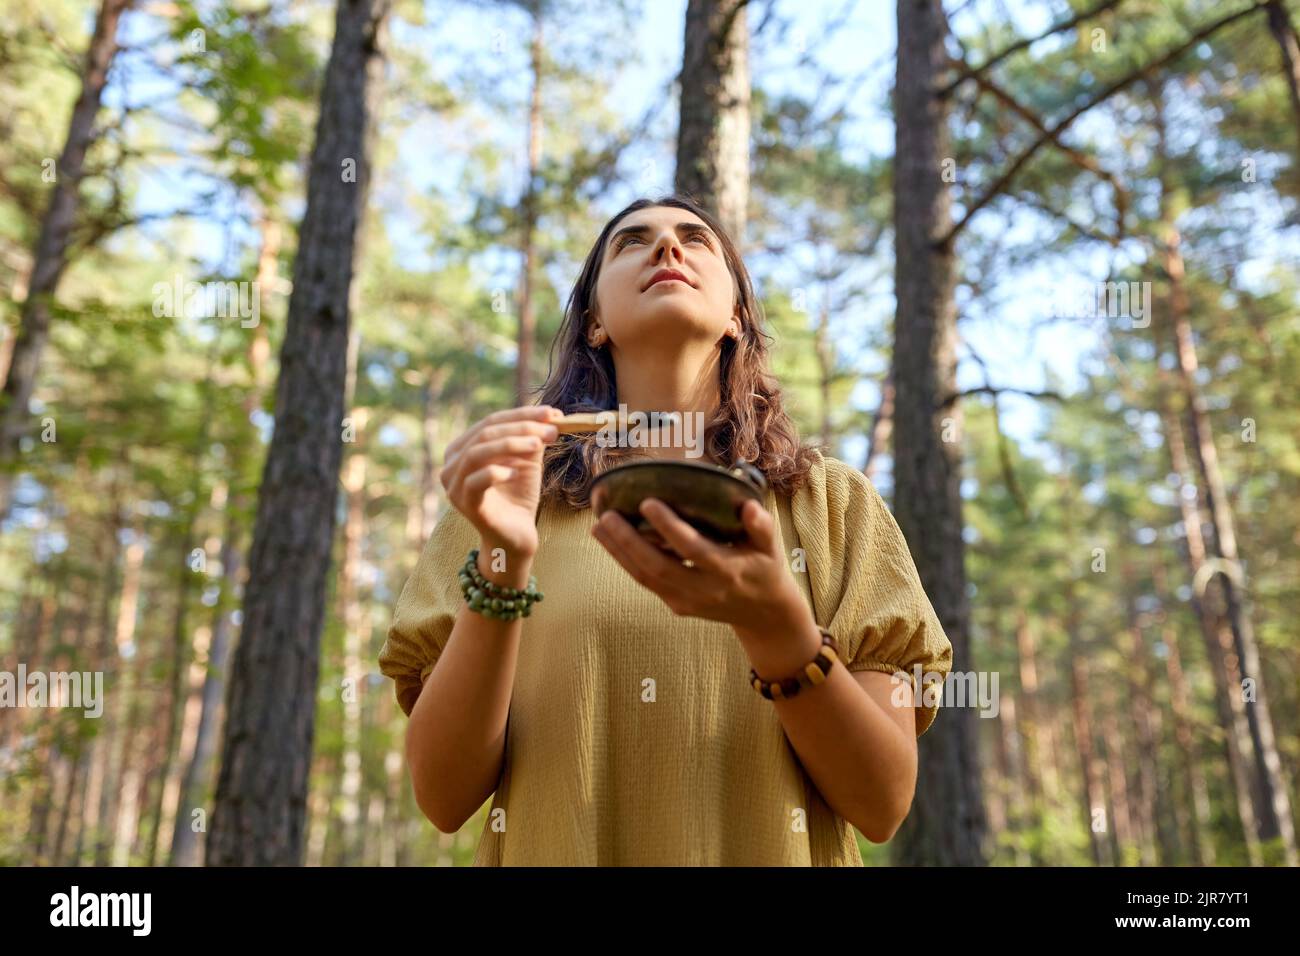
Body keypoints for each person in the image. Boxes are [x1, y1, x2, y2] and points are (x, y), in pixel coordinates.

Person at [378, 194, 952, 865]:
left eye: (694, 238)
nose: (667, 249)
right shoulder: (505, 502)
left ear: (737, 316)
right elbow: (444, 798)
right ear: (595, 322)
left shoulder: (832, 503)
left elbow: (882, 803)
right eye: (632, 241)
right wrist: (503, 560)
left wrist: (780, 635)